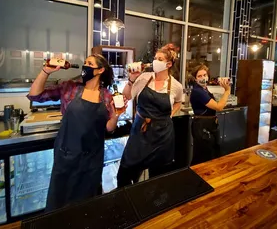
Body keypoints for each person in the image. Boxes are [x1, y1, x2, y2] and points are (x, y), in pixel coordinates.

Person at [27, 54, 120, 212]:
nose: (84, 66)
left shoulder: (106, 96)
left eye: (89, 63)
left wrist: (117, 114)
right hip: (66, 157)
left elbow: (109, 128)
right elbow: (36, 95)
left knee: (86, 207)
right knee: (58, 204)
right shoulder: (70, 88)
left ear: (100, 70)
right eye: (84, 63)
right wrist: (46, 71)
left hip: (92, 160)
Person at [117, 44, 183, 187]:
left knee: (158, 178)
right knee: (125, 173)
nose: (155, 62)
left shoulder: (176, 86)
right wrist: (132, 79)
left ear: (168, 64)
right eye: (155, 58)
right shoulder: (144, 78)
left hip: (163, 135)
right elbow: (127, 96)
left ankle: (154, 204)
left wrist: (170, 115)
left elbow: (179, 102)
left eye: (159, 59)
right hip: (140, 132)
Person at [189, 64, 231, 164]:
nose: (203, 78)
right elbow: (218, 107)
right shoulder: (198, 91)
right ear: (195, 79)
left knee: (211, 154)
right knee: (203, 156)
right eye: (199, 76)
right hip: (202, 128)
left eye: (205, 75)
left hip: (209, 126)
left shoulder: (204, 89)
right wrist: (227, 91)